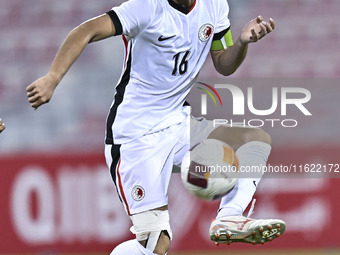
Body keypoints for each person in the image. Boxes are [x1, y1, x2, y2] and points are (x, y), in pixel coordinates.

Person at [26, 0, 286, 254]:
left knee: (255, 139)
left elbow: (223, 63)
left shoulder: (215, 5)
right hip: (135, 135)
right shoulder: (146, 7)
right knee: (155, 244)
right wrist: (52, 78)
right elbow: (87, 30)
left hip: (176, 123)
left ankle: (229, 217)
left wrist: (241, 42)